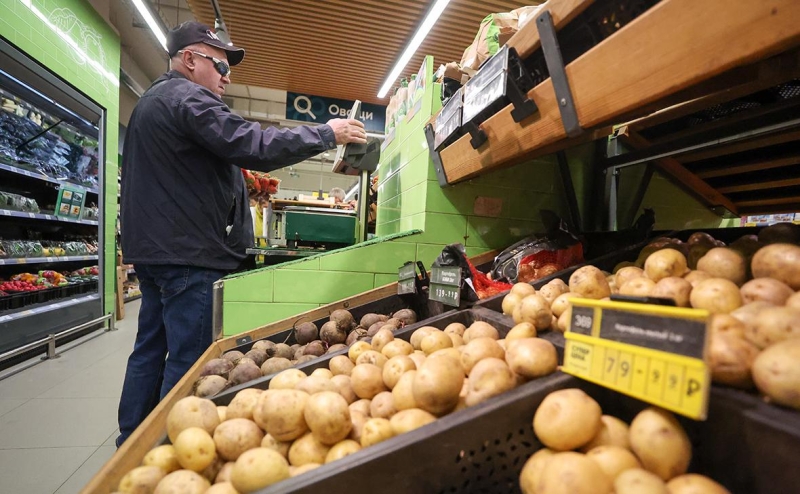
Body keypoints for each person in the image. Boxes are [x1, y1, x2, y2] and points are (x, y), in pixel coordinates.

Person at [116, 21, 366, 447]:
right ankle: (170, 449)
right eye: (219, 64)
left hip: (159, 253)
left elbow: (183, 170)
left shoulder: (154, 101)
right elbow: (253, 142)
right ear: (189, 60)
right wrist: (327, 133)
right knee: (188, 359)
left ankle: (132, 443)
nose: (227, 76)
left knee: (148, 350)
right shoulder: (188, 97)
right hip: (189, 256)